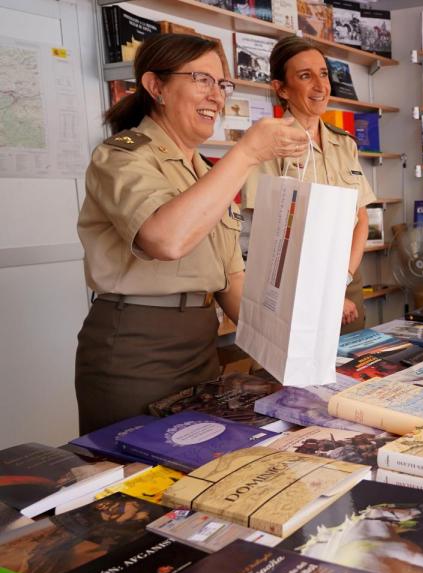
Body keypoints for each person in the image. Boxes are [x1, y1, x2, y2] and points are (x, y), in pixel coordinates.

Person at [75, 34, 308, 434]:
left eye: (221, 84)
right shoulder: (121, 155)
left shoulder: (208, 172)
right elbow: (166, 240)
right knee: (133, 479)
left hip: (202, 344)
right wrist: (249, 152)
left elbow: (232, 280)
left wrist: (289, 353)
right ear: (156, 87)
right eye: (202, 79)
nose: (216, 96)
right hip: (135, 346)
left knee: (198, 469)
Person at [246, 36, 377, 334]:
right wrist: (324, 290)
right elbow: (268, 234)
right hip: (294, 285)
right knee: (298, 378)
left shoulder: (344, 143)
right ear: (281, 88)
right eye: (305, 76)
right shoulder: (268, 143)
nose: (320, 86)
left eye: (323, 74)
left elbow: (361, 219)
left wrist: (342, 278)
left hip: (348, 281)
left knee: (355, 373)